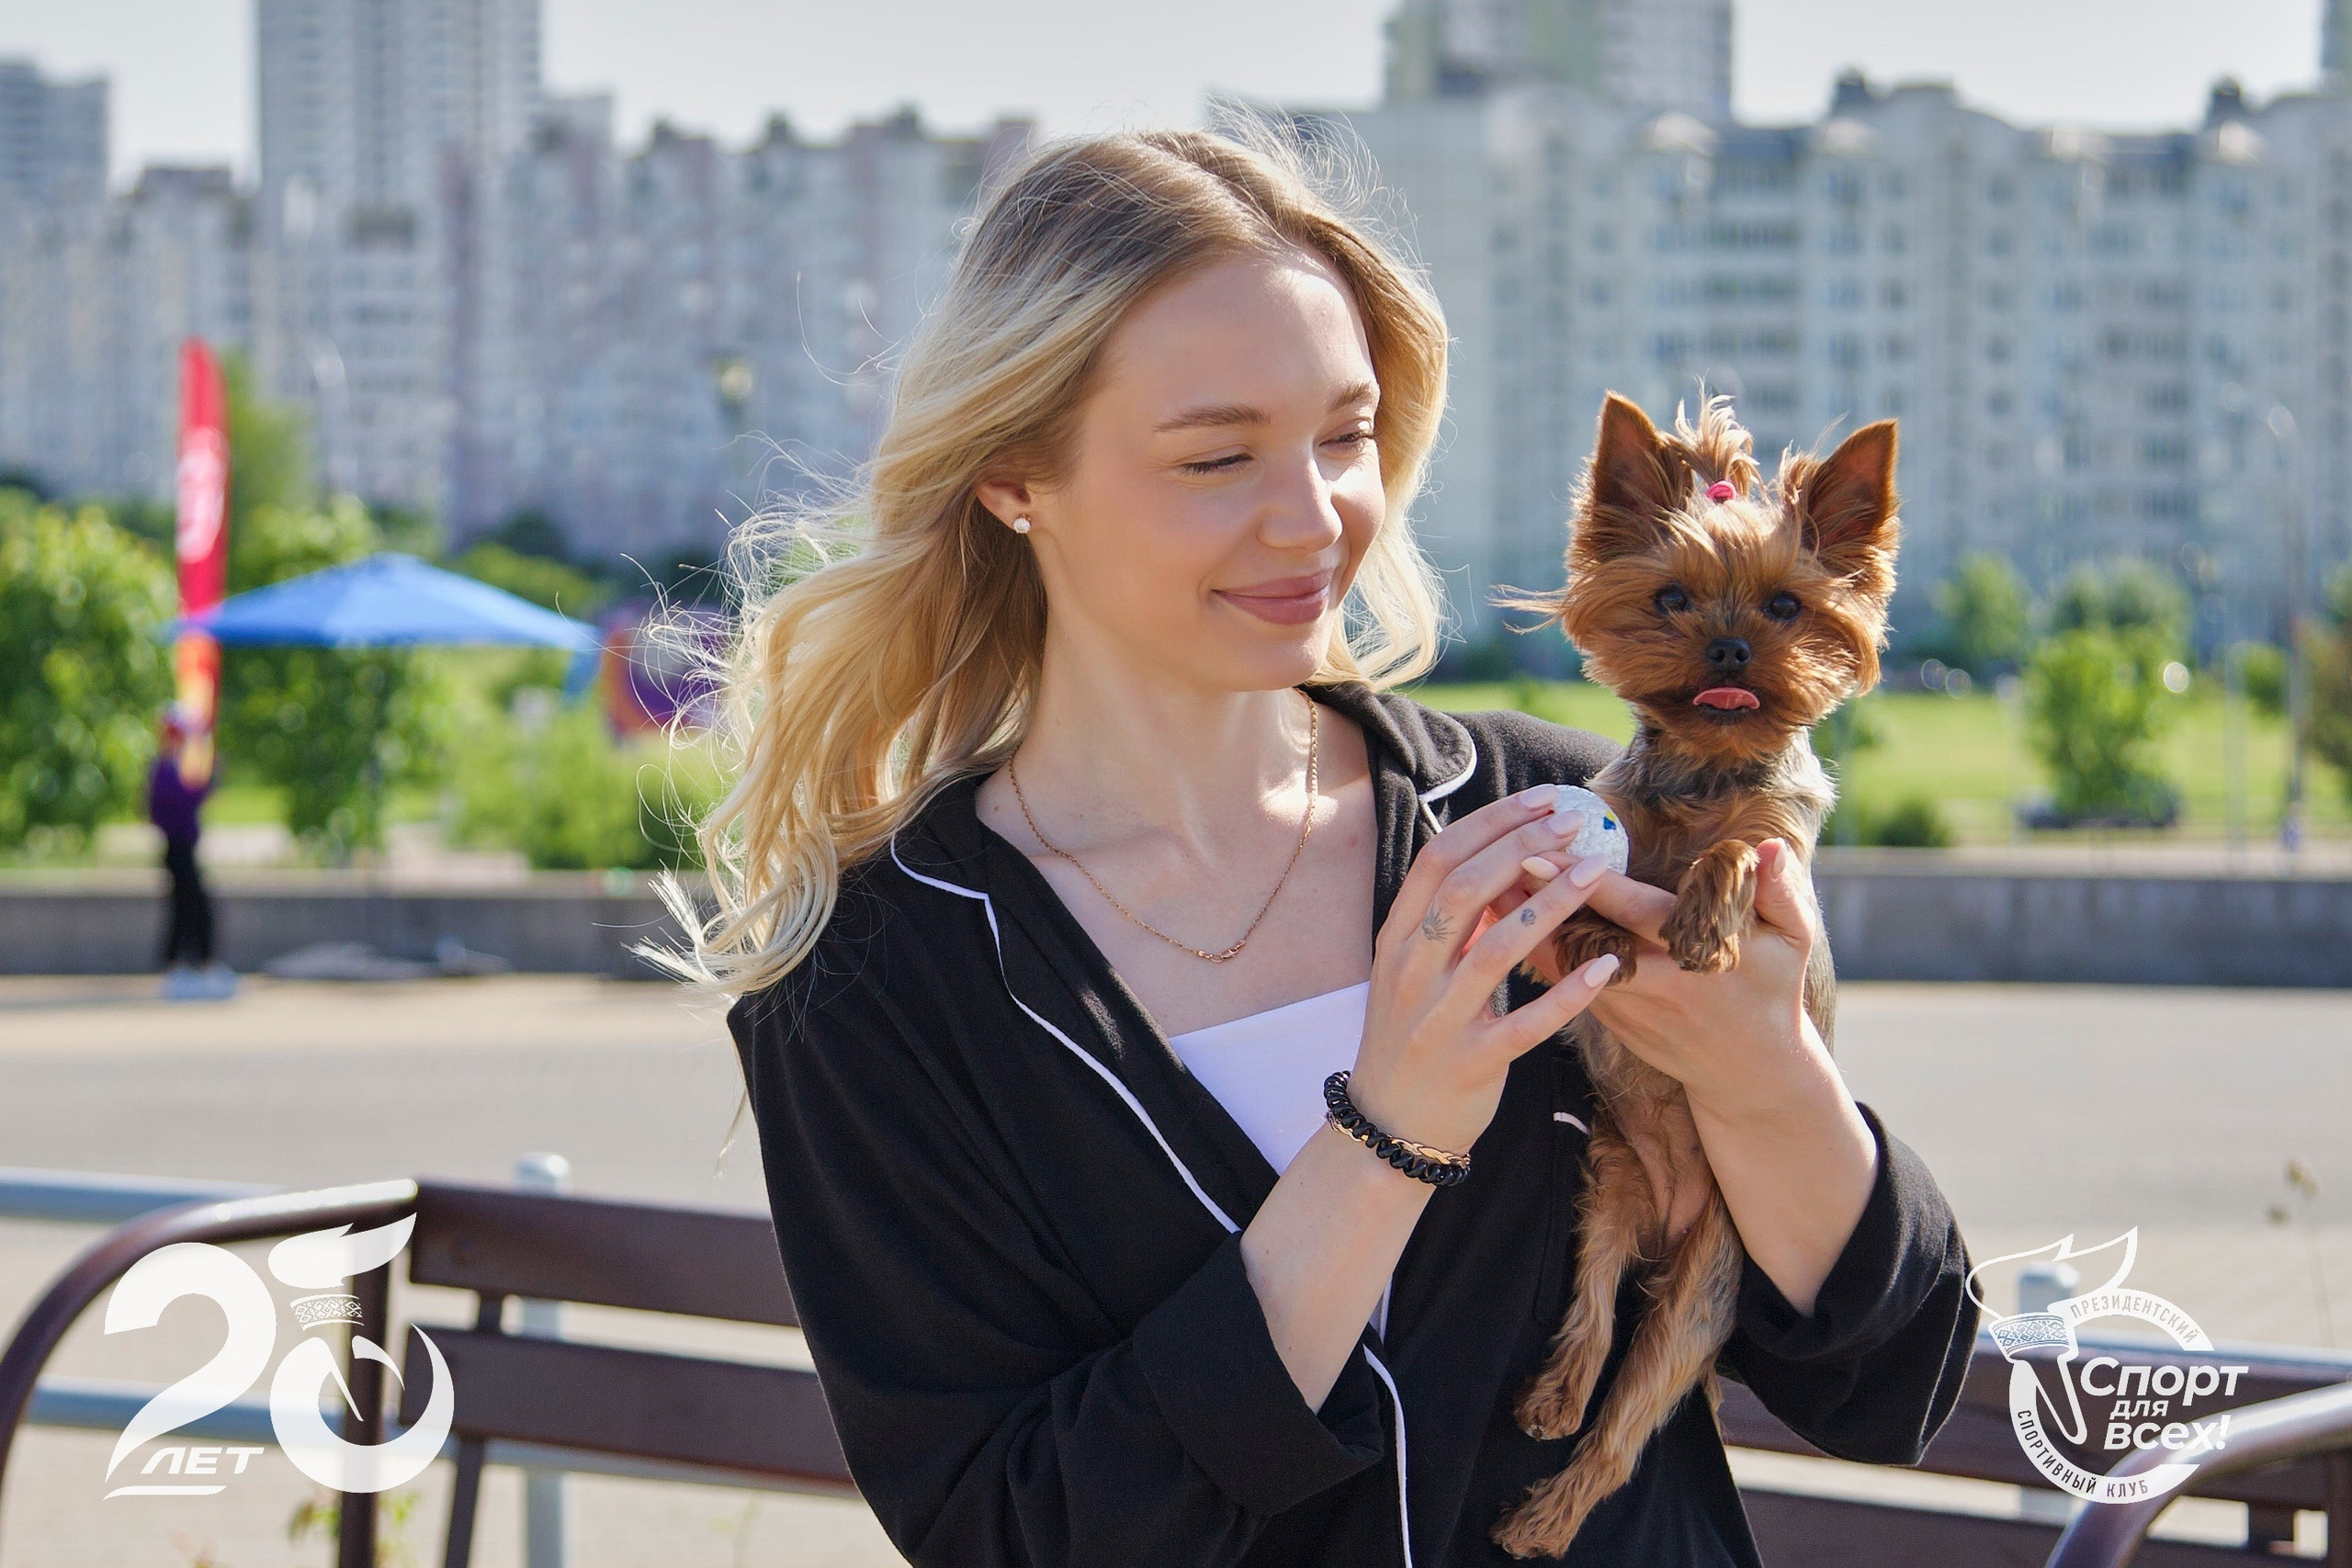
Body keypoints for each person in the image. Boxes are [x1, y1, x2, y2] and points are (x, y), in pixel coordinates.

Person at [666, 126, 1978, 1567]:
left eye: (1346, 436)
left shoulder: (1550, 818)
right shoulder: (878, 974)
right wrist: (1387, 1141)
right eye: (1219, 454)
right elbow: (1016, 1528)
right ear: (1013, 476)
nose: (1314, 519)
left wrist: (1765, 1074)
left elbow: (1892, 1381)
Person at [151, 711, 233, 999]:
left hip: (184, 847)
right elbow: (180, 801)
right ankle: (185, 967)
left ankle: (193, 965)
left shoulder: (175, 767)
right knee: (190, 906)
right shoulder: (165, 768)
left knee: (190, 907)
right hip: (177, 847)